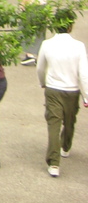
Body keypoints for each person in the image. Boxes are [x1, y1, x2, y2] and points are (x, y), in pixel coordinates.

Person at [35, 12, 88, 177]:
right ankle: (65, 145)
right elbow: (84, 73)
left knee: (53, 124)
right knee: (69, 120)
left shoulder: (47, 44)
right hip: (72, 89)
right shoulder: (79, 46)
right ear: (71, 25)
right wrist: (86, 95)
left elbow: (40, 67)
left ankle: (54, 162)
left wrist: (42, 82)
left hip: (53, 88)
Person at [20, 0, 51, 65]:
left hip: (32, 6)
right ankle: (41, 55)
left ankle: (29, 54)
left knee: (26, 29)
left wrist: (23, 4)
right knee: (39, 32)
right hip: (42, 6)